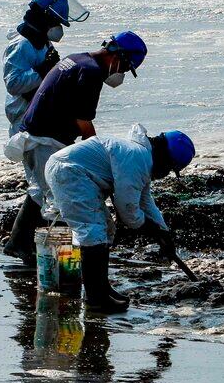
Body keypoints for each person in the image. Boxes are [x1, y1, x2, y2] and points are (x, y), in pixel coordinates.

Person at [3, 30, 147, 265]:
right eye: (124, 67)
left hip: (37, 133)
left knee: (41, 190)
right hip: (46, 138)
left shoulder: (77, 58)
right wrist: (100, 157)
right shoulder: (91, 73)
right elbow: (85, 123)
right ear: (116, 56)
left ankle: (18, 243)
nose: (120, 73)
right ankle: (58, 260)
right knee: (61, 200)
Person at [44, 125, 194, 313]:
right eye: (170, 169)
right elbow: (128, 211)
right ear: (165, 158)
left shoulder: (141, 156)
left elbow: (145, 201)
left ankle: (102, 289)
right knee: (92, 231)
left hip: (71, 170)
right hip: (69, 172)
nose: (166, 174)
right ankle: (95, 298)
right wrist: (153, 230)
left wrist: (164, 232)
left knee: (105, 229)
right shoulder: (136, 159)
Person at [2, 0, 89, 136]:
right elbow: (13, 84)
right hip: (24, 118)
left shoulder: (42, 42)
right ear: (44, 19)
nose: (59, 27)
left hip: (38, 114)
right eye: (56, 22)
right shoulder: (22, 45)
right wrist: (43, 70)